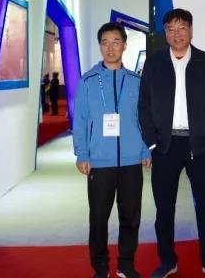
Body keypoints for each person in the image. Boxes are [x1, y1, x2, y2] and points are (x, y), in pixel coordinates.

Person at [138, 8, 205, 278]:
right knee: (164, 209)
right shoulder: (154, 64)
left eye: (182, 27)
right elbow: (144, 106)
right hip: (165, 146)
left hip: (199, 145)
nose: (177, 34)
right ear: (165, 33)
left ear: (191, 30)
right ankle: (167, 261)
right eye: (171, 29)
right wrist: (151, 142)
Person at [73, 22, 152, 278]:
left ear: (124, 45)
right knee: (98, 219)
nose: (110, 48)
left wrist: (145, 149)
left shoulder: (136, 81)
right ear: (100, 46)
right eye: (105, 43)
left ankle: (126, 264)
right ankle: (100, 267)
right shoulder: (87, 81)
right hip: (99, 161)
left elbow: (143, 119)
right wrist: (82, 153)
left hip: (131, 161)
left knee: (130, 217)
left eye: (116, 42)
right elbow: (80, 120)